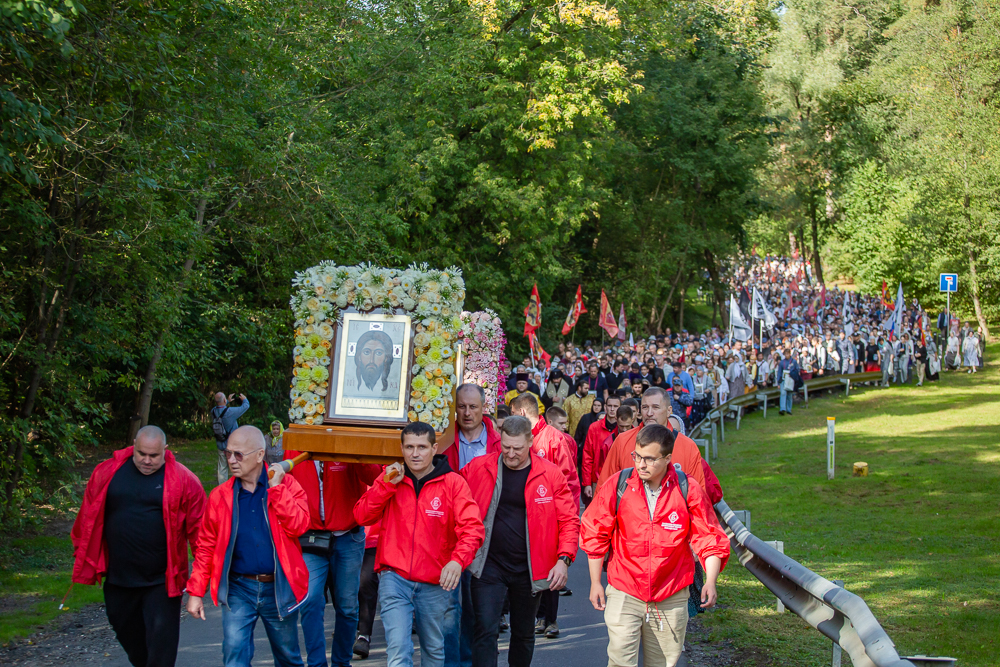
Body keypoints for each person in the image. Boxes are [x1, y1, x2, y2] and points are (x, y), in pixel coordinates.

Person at [580, 425, 730, 667]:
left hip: (670, 594)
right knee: (620, 661)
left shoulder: (687, 488)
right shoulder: (618, 485)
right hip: (624, 589)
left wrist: (710, 581)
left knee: (662, 664)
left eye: (649, 459)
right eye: (637, 456)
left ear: (668, 458)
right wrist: (596, 582)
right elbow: (595, 533)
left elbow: (709, 538)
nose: (641, 464)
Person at [353, 421, 485, 667]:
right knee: (398, 651)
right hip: (395, 576)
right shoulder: (391, 478)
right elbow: (362, 516)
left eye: (422, 447)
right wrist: (385, 484)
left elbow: (473, 529)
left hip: (435, 581)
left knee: (434, 652)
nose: (415, 453)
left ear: (434, 448)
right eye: (409, 447)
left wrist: (457, 561)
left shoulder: (453, 483)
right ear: (401, 449)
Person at [71, 426, 205, 667]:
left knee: (161, 654)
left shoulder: (184, 481)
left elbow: (201, 535)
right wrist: (82, 554)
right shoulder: (107, 473)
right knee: (134, 647)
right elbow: (87, 519)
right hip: (119, 580)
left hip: (162, 582)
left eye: (154, 456)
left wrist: (200, 582)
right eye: (141, 453)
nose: (146, 460)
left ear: (165, 450)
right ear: (133, 445)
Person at [186, 426, 311, 667]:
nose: (232, 460)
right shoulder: (220, 496)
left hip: (278, 588)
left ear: (260, 455)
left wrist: (277, 489)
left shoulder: (288, 486)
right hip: (238, 588)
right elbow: (206, 547)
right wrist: (195, 592)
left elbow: (300, 526)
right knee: (234, 655)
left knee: (288, 658)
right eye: (228, 453)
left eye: (239, 454)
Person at [461, 416, 580, 664]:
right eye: (506, 447)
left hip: (530, 568)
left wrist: (564, 559)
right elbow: (451, 490)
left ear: (531, 442)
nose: (511, 454)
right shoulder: (480, 467)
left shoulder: (550, 474)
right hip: (488, 565)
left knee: (524, 634)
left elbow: (569, 520)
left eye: (517, 448)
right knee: (484, 629)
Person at [283, 448, 382, 667]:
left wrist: (356, 454)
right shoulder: (296, 448)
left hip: (348, 535)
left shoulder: (344, 444)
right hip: (310, 538)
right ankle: (317, 663)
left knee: (347, 606)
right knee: (309, 601)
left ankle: (341, 662)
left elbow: (374, 477)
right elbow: (285, 489)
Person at [443, 384, 502, 667]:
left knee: (482, 612)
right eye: (462, 406)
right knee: (451, 610)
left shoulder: (500, 443)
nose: (467, 413)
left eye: (473, 407)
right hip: (450, 533)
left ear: (484, 407)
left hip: (489, 537)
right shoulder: (442, 441)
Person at [595, 387, 707, 492]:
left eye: (655, 407)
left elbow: (698, 497)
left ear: (669, 411)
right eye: (645, 407)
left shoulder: (687, 446)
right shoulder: (622, 441)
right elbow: (604, 489)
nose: (649, 413)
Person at [509, 393, 582, 509]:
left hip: (549, 510)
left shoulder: (554, 438)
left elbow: (569, 480)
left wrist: (568, 518)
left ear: (522, 412)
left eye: (513, 414)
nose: (511, 419)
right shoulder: (518, 438)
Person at [582, 395, 621, 500]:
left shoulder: (623, 428)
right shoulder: (594, 428)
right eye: (610, 406)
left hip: (618, 479)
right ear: (605, 407)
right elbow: (587, 456)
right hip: (597, 480)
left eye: (616, 406)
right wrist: (587, 483)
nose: (612, 409)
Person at [211, 392, 250, 486]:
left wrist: (227, 401)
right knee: (235, 465)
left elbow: (220, 408)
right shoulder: (230, 412)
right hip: (232, 445)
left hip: (220, 444)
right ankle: (236, 485)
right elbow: (245, 407)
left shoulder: (213, 411)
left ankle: (222, 486)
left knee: (222, 467)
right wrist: (244, 399)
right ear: (224, 400)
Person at [354, 521, 380, 660]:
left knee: (366, 581)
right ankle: (347, 625)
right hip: (344, 534)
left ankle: (364, 635)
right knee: (340, 586)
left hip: (373, 538)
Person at [776, 352, 800, 416]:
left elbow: (797, 370)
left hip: (790, 379)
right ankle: (782, 408)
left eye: (787, 354)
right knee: (783, 393)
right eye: (785, 354)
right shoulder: (782, 362)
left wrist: (793, 375)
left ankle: (789, 409)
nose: (786, 355)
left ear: (789, 354)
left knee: (789, 394)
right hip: (783, 379)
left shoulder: (794, 362)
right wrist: (778, 382)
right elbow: (779, 372)